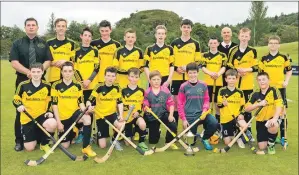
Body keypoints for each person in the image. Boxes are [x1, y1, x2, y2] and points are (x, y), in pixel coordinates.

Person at [9, 17, 53, 151]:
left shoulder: (43, 43)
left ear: (37, 27)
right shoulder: (18, 43)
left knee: (42, 109)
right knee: (21, 110)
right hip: (22, 79)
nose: (31, 27)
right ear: (25, 28)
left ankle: (41, 139)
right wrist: (29, 72)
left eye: (34, 25)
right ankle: (19, 140)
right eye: (28, 25)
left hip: (40, 81)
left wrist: (38, 72)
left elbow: (48, 60)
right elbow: (14, 62)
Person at [51, 61, 96, 157]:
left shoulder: (78, 85)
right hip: (63, 118)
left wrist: (85, 111)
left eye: (70, 71)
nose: (67, 73)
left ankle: (86, 148)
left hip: (75, 115)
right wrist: (58, 122)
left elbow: (80, 102)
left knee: (87, 118)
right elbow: (54, 105)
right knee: (65, 145)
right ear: (62, 72)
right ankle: (74, 132)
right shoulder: (56, 85)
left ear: (73, 72)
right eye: (65, 71)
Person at [13, 63, 57, 153]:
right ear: (30, 73)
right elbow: (16, 99)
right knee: (29, 148)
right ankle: (37, 137)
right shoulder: (23, 85)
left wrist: (49, 111)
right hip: (27, 118)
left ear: (42, 72)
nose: (36, 74)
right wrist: (19, 105)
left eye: (38, 72)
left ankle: (44, 144)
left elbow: (51, 101)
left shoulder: (47, 86)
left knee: (52, 123)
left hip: (41, 116)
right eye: (34, 72)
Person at [258, 35, 292, 145]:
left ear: (279, 45)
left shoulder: (283, 57)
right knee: (269, 111)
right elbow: (260, 74)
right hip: (267, 90)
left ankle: (283, 137)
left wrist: (286, 81)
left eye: (275, 43)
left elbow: (289, 70)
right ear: (268, 45)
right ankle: (271, 135)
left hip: (280, 89)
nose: (273, 45)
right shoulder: (263, 58)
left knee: (282, 114)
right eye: (271, 43)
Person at [177, 62, 218, 150]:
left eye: (194, 72)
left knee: (214, 123)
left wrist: (204, 110)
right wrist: (184, 119)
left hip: (202, 114)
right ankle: (190, 134)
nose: (192, 75)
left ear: (198, 73)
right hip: (190, 116)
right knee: (191, 143)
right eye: (190, 73)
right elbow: (179, 104)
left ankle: (205, 138)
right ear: (187, 73)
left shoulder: (203, 85)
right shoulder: (183, 86)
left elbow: (206, 99)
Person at [227, 27, 258, 135]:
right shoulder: (233, 50)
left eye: (246, 36)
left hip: (248, 85)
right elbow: (228, 65)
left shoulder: (253, 51)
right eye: (242, 36)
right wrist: (237, 71)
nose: (244, 38)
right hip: (235, 85)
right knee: (235, 107)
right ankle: (235, 131)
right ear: (239, 36)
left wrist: (247, 70)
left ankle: (247, 131)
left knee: (247, 108)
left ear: (249, 37)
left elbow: (256, 67)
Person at [170, 19, 202, 125]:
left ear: (191, 29)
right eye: (184, 27)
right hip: (176, 77)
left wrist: (187, 68)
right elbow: (170, 61)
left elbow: (198, 62)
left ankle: (188, 129)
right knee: (175, 103)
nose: (186, 29)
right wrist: (176, 68)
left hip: (190, 78)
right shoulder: (174, 43)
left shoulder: (195, 44)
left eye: (188, 27)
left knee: (188, 103)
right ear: (180, 28)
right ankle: (174, 129)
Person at [86, 67, 124, 151]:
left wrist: (121, 115)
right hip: (101, 116)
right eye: (108, 76)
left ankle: (114, 140)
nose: (110, 78)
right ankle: (96, 137)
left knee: (121, 125)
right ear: (104, 76)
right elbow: (89, 100)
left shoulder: (117, 87)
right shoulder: (99, 87)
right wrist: (89, 106)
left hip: (112, 114)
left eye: (113, 76)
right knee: (102, 146)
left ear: (115, 77)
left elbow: (120, 102)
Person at [244, 72, 283, 155]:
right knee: (262, 147)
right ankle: (273, 137)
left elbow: (279, 105)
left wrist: (275, 118)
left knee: (273, 125)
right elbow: (246, 108)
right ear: (257, 82)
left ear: (268, 80)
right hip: (261, 121)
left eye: (264, 79)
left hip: (272, 118)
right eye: (259, 80)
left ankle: (271, 144)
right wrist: (258, 104)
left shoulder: (274, 90)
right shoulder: (255, 94)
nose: (262, 82)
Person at [72, 27, 99, 144]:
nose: (87, 38)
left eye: (89, 36)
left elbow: (97, 67)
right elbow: (74, 69)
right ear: (81, 36)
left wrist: (89, 80)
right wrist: (82, 82)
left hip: (92, 86)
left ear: (91, 38)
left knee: (90, 110)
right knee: (80, 110)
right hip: (80, 87)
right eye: (85, 35)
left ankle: (89, 134)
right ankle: (80, 132)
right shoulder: (75, 52)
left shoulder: (95, 51)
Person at [143, 70, 178, 149]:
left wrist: (171, 115)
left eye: (158, 79)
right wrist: (146, 108)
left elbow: (171, 104)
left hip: (163, 114)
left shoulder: (165, 90)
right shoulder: (147, 92)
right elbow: (145, 105)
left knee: (172, 123)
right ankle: (157, 131)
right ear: (150, 81)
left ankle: (169, 142)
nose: (156, 82)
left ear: (161, 80)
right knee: (153, 141)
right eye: (154, 80)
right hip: (153, 116)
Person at [217, 69, 248, 148]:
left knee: (244, 125)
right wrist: (223, 104)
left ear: (237, 79)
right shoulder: (222, 90)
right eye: (229, 78)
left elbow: (243, 105)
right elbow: (219, 105)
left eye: (233, 78)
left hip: (236, 116)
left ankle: (238, 137)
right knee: (227, 143)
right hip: (225, 118)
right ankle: (231, 134)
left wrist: (241, 114)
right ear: (226, 79)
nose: (231, 80)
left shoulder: (240, 92)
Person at [201, 37, 227, 128]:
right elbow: (203, 67)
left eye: (214, 43)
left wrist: (218, 74)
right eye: (211, 43)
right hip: (207, 83)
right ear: (208, 44)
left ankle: (218, 126)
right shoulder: (204, 55)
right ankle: (207, 126)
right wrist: (210, 73)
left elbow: (224, 67)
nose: (213, 45)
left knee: (217, 105)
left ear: (218, 44)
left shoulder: (222, 55)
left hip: (218, 83)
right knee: (206, 105)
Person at [122, 67, 148, 151]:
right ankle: (133, 131)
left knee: (142, 124)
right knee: (127, 144)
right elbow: (119, 106)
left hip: (136, 115)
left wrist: (138, 112)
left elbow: (141, 105)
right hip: (127, 117)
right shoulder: (123, 91)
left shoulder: (141, 91)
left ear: (139, 78)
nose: (134, 79)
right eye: (132, 76)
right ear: (128, 77)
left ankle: (141, 141)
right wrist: (127, 107)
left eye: (136, 77)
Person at [47, 18, 76, 84]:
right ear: (55, 28)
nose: (61, 28)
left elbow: (74, 62)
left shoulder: (72, 43)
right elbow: (47, 61)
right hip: (53, 77)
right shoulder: (49, 43)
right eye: (58, 26)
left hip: (67, 78)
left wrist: (65, 62)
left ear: (66, 28)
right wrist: (54, 63)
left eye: (63, 26)